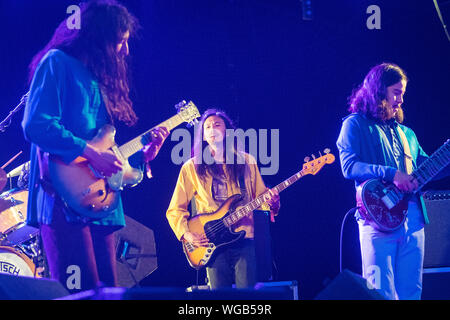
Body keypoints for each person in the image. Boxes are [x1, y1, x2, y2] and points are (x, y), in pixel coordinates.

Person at [22, 0, 168, 293]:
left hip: (100, 202)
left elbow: (106, 152)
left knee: (108, 292)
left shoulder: (100, 78)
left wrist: (142, 156)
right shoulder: (57, 63)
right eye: (120, 42)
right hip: (63, 199)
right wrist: (90, 154)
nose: (125, 51)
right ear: (98, 38)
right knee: (82, 291)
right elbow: (36, 124)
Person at [336, 62, 449, 300]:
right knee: (380, 294)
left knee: (411, 293)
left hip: (414, 219)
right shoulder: (354, 124)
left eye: (403, 94)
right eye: (396, 93)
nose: (401, 100)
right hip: (377, 220)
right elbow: (349, 167)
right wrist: (391, 173)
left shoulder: (407, 133)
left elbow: (426, 170)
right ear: (378, 92)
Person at [166, 109, 280, 289]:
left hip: (245, 238)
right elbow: (175, 209)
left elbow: (261, 199)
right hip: (212, 243)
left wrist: (273, 203)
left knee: (247, 300)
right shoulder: (191, 167)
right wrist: (187, 234)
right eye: (208, 127)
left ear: (227, 131)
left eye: (217, 125)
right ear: (203, 136)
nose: (212, 129)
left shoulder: (247, 162)